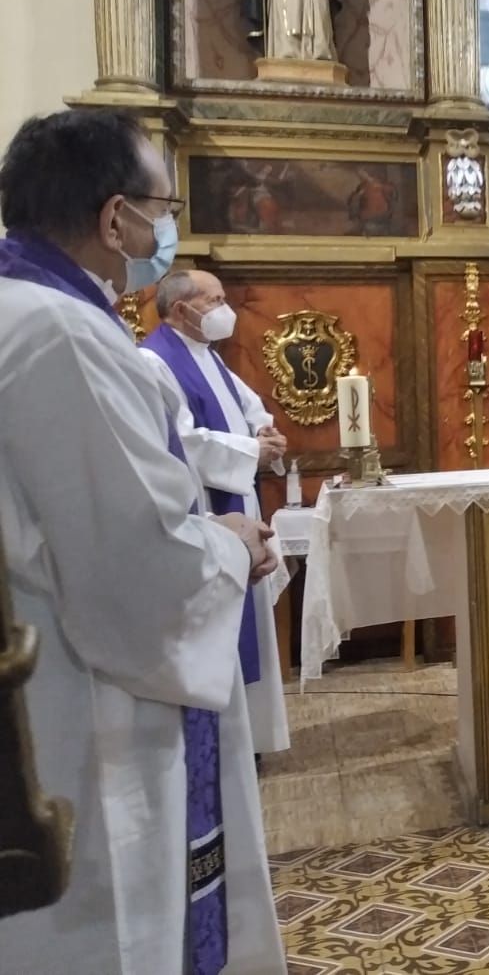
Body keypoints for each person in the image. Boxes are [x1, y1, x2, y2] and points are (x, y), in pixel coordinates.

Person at [0, 110, 286, 972]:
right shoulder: (64, 337)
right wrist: (232, 543)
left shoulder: (25, 311)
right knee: (115, 925)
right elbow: (136, 565)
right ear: (114, 216)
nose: (165, 231)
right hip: (82, 709)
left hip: (44, 672)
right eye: (161, 210)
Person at [142, 269, 292, 757]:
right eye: (216, 300)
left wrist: (264, 433)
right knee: (225, 624)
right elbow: (181, 440)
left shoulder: (209, 357)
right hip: (208, 509)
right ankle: (230, 744)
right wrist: (251, 450)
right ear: (182, 308)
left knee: (251, 629)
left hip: (238, 500)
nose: (225, 310)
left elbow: (250, 406)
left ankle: (250, 740)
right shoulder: (154, 361)